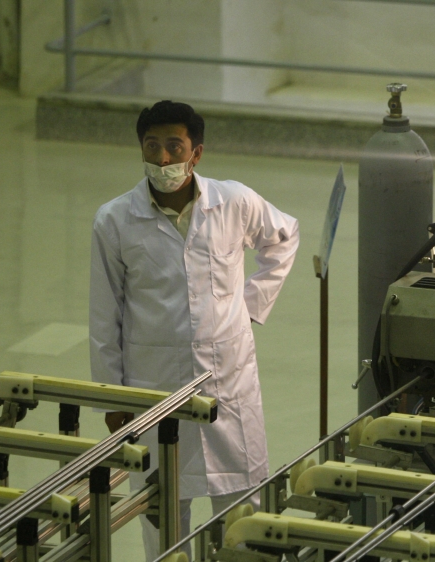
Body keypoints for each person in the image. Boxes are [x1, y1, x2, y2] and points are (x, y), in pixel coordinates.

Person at [90, 100, 299, 560]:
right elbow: (105, 316)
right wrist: (112, 397)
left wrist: (248, 307)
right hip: (154, 388)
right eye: (152, 146)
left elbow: (284, 237)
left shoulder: (233, 202)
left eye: (174, 147)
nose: (162, 158)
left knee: (244, 512)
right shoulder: (115, 220)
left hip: (228, 384)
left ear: (196, 153)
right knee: (161, 509)